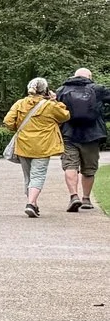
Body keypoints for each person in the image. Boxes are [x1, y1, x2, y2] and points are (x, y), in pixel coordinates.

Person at [3, 76, 70, 219]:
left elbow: (8, 121)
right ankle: (31, 204)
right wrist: (55, 100)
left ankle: (32, 203)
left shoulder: (20, 104)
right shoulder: (50, 106)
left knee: (28, 177)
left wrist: (20, 130)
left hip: (23, 145)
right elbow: (65, 116)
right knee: (38, 176)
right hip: (43, 146)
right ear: (45, 90)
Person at [59, 65, 104, 212]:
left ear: (74, 76)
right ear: (89, 77)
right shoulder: (97, 89)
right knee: (89, 170)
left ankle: (74, 196)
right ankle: (86, 199)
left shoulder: (62, 90)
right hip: (92, 135)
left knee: (70, 166)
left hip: (68, 134)